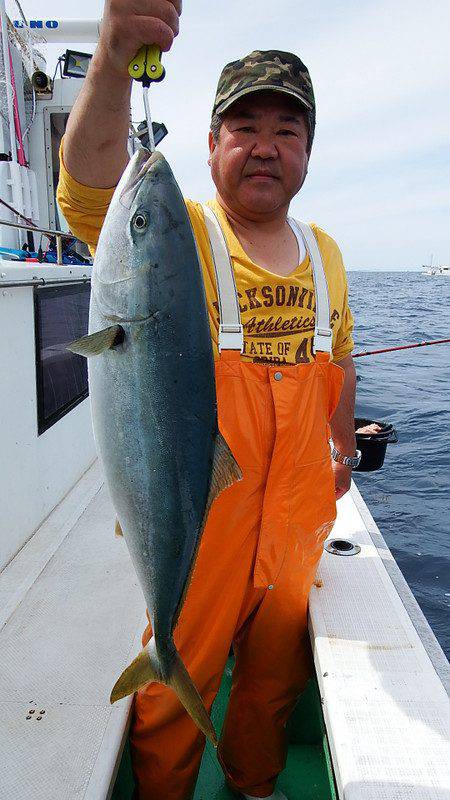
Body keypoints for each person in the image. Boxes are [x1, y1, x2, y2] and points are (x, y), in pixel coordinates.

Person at [58, 2, 358, 798]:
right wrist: (115, 52)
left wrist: (343, 450)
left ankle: (254, 784)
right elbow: (89, 191)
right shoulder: (180, 232)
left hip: (296, 519)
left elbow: (337, 359)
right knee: (174, 679)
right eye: (244, 127)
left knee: (274, 681)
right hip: (207, 515)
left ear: (308, 150)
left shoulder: (325, 253)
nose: (265, 146)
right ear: (214, 142)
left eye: (287, 130)